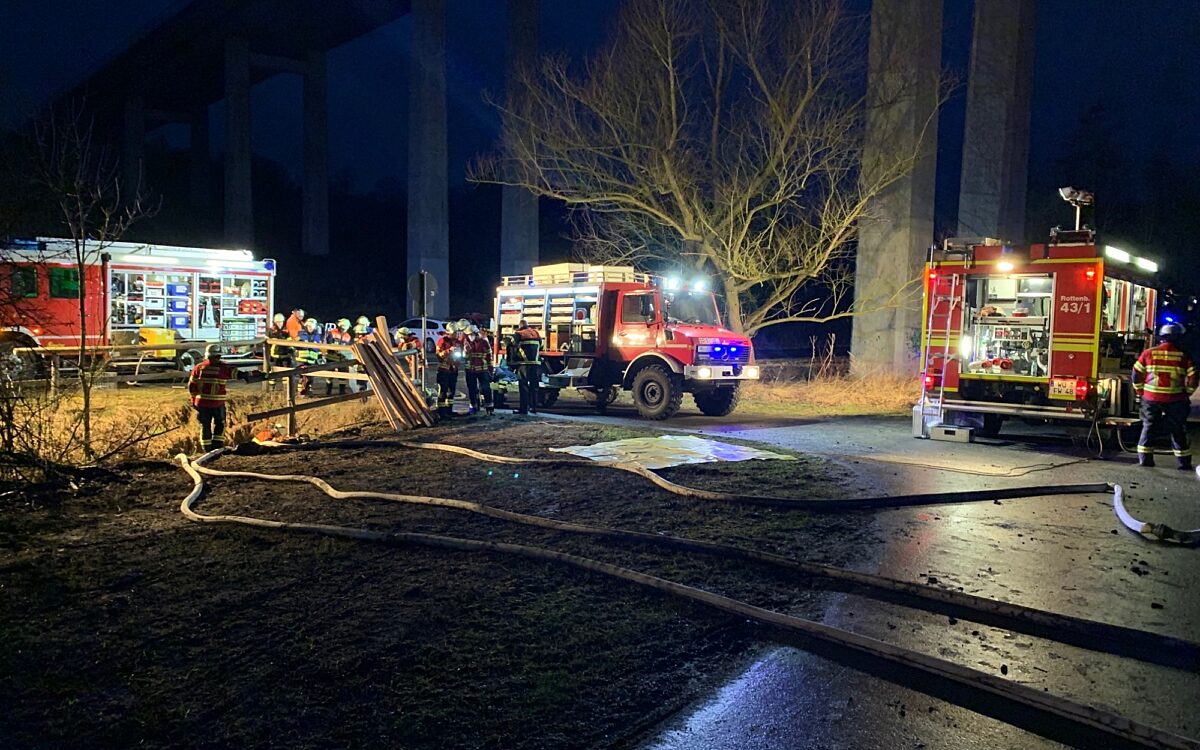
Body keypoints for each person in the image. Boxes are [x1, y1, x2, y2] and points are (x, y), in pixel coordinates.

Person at [1131, 323, 1198, 469]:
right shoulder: (1184, 356)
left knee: (1148, 426)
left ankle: (1145, 460)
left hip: (1151, 398)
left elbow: (1136, 373)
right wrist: (1187, 392)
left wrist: (1140, 390)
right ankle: (1183, 462)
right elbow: (1194, 377)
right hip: (1176, 399)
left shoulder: (1149, 353)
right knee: (1177, 428)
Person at [188, 345, 235, 451]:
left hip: (201, 403)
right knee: (220, 423)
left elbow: (191, 385)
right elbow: (236, 373)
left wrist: (194, 400)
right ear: (218, 356)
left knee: (205, 426)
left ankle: (207, 449)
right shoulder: (223, 367)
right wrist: (251, 375)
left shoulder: (198, 368)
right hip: (217, 403)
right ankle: (217, 448)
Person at [507, 318, 542, 415]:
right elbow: (541, 345)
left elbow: (511, 347)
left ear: (520, 326)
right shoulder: (536, 333)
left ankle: (523, 409)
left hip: (523, 364)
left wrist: (511, 362)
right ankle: (533, 407)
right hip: (535, 364)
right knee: (534, 386)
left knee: (523, 387)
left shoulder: (519, 334)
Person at [463, 325, 494, 416]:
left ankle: (489, 408)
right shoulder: (466, 343)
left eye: (472, 334)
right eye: (468, 334)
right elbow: (464, 357)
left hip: (482, 370)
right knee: (472, 390)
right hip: (470, 370)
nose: (470, 336)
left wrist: (490, 371)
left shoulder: (484, 342)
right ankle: (473, 408)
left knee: (485, 389)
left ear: (476, 334)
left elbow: (489, 357)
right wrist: (466, 352)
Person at [435, 326, 462, 417]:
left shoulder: (457, 342)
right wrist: (448, 350)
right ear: (449, 333)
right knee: (443, 391)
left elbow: (460, 354)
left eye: (456, 333)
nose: (455, 334)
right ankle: (441, 412)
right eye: (454, 333)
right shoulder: (442, 341)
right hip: (444, 370)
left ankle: (449, 410)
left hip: (453, 370)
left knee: (451, 391)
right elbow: (439, 355)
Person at [324, 318, 354, 395]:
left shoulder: (347, 336)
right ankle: (328, 392)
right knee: (329, 375)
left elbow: (348, 347)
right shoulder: (332, 333)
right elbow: (328, 344)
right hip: (331, 357)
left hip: (343, 358)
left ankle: (341, 392)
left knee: (343, 375)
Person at [296, 317, 323, 396]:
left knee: (311, 377)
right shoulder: (301, 334)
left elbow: (318, 348)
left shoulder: (317, 336)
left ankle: (308, 391)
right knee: (302, 377)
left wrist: (319, 357)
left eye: (311, 327)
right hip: (302, 359)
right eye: (308, 326)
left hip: (312, 359)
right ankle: (301, 394)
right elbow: (297, 345)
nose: (309, 328)